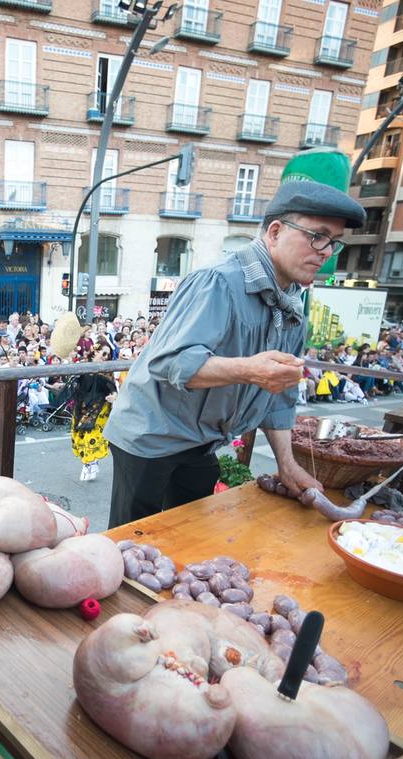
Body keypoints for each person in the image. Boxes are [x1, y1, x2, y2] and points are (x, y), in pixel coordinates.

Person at [102, 181, 364, 527]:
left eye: (334, 242)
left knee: (187, 534)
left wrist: (287, 465)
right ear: (274, 231)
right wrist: (250, 370)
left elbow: (280, 396)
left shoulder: (293, 306)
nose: (326, 251)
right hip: (149, 436)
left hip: (202, 443)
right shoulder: (217, 282)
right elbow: (169, 362)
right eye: (317, 236)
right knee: (130, 540)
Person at [71, 344, 117, 481]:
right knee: (79, 435)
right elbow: (71, 380)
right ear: (94, 352)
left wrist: (114, 396)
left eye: (108, 355)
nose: (106, 357)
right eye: (103, 353)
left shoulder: (107, 369)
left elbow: (112, 387)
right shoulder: (82, 366)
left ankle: (90, 463)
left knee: (92, 436)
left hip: (100, 407)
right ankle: (89, 463)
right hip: (82, 406)